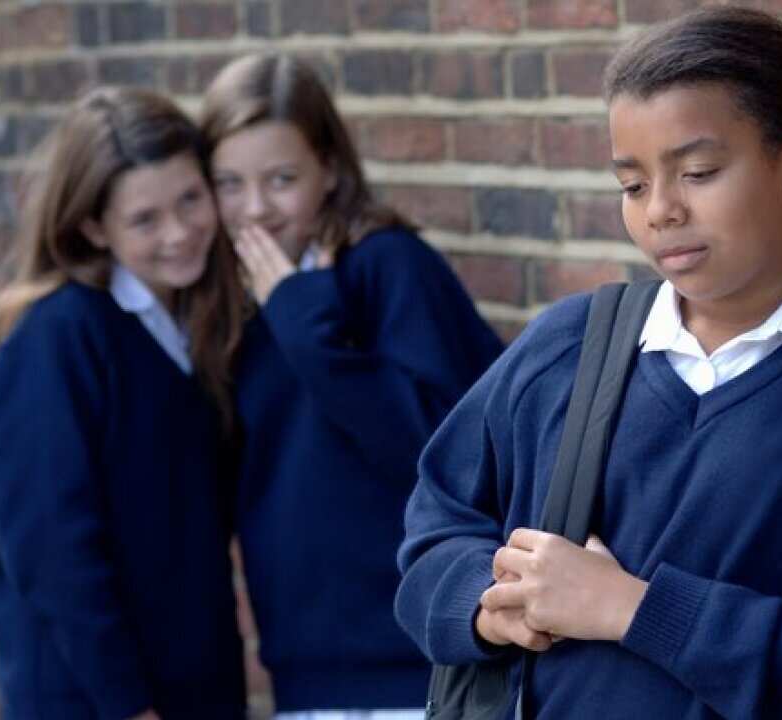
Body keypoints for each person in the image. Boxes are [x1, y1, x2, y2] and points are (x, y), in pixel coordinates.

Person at [395, 8, 782, 718]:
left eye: (697, 172)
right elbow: (435, 529)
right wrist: (489, 604)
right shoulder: (568, 346)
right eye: (633, 186)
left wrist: (632, 608)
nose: (660, 211)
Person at [198, 54, 506, 717]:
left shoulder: (390, 267)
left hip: (418, 667)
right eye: (228, 183)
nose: (255, 208)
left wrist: (303, 319)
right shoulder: (232, 296)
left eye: (282, 179)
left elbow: (439, 447)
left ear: (330, 169)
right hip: (306, 673)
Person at [0, 86, 247, 719]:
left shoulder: (198, 325)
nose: (179, 233)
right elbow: (49, 549)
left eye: (191, 200)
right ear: (94, 225)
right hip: (95, 697)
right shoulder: (56, 336)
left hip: (195, 682)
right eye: (145, 220)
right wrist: (127, 706)